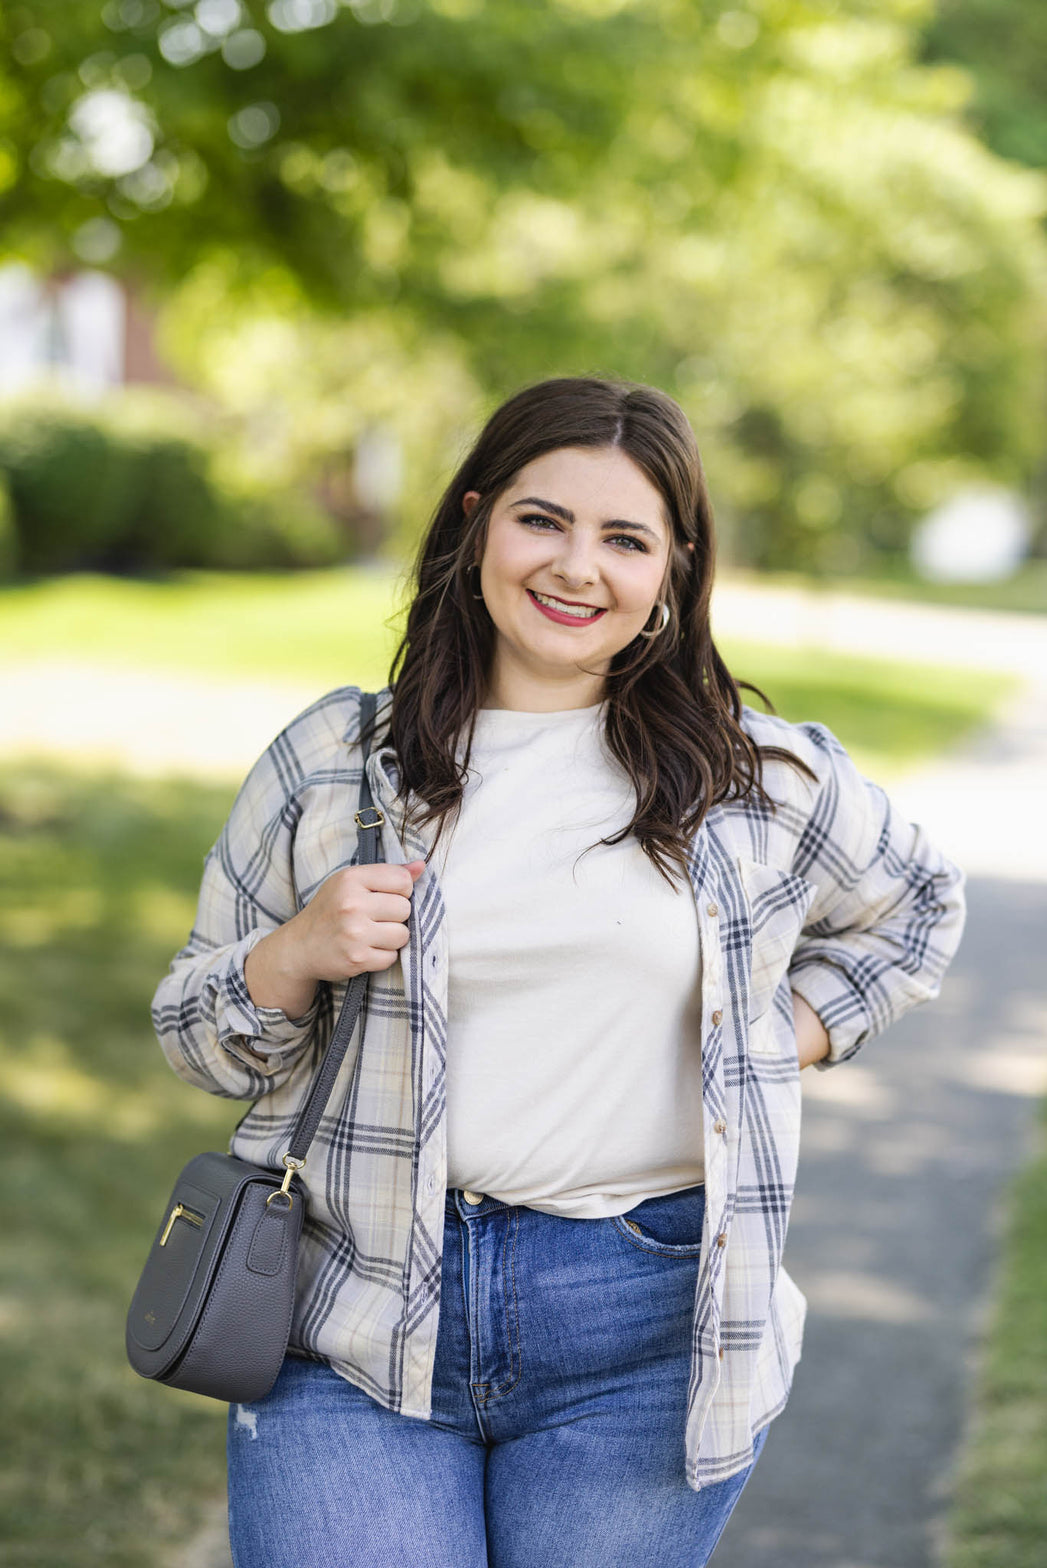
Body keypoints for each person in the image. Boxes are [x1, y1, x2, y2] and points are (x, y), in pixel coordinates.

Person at [150, 375, 967, 1568]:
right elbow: (191, 1031)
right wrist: (291, 955)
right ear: (477, 520)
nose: (577, 566)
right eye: (543, 519)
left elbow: (922, 905)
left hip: (645, 1331)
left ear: (672, 571)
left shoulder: (758, 781)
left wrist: (781, 1034)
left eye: (625, 538)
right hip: (357, 1312)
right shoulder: (334, 761)